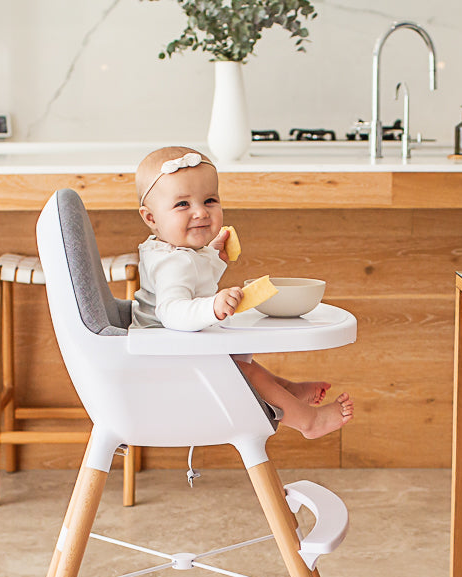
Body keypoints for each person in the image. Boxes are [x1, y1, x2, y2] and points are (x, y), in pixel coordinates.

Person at [132, 145, 353, 439]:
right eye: (183, 204)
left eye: (209, 200)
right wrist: (213, 307)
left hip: (176, 356)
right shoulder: (173, 262)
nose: (200, 212)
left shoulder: (176, 252)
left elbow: (193, 282)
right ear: (151, 218)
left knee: (242, 366)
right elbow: (172, 312)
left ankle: (287, 391)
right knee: (243, 373)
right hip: (166, 371)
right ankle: (308, 422)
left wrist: (212, 259)